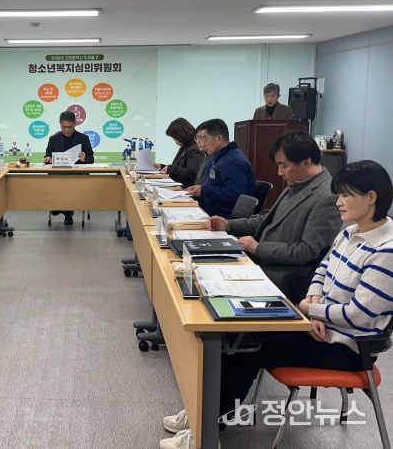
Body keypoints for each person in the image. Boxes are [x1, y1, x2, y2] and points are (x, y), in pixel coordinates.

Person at [161, 160, 393, 449]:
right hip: (321, 326)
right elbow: (321, 271)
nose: (339, 202)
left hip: (347, 347)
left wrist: (309, 310)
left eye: (346, 195)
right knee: (236, 335)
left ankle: (205, 432)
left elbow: (360, 314)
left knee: (248, 351)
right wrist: (313, 304)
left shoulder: (386, 250)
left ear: (371, 197)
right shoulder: (350, 232)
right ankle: (203, 414)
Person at [207, 131, 342, 302]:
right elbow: (267, 220)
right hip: (260, 263)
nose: (279, 173)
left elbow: (307, 252)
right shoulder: (298, 182)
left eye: (283, 166)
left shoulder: (327, 197)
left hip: (282, 277)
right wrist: (228, 225)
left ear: (306, 162)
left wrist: (258, 248)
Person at [185, 119, 255, 218]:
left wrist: (204, 190)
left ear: (218, 138)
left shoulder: (233, 161)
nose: (203, 144)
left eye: (205, 139)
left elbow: (235, 195)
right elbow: (213, 185)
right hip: (210, 211)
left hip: (223, 218)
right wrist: (200, 188)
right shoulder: (218, 156)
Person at [44, 110, 94, 225]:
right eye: (64, 127)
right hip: (59, 176)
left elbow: (91, 159)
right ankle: (67, 212)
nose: (67, 130)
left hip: (77, 176)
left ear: (75, 124)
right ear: (60, 124)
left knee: (67, 186)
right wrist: (48, 159)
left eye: (70, 127)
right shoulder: (53, 139)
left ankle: (60, 208)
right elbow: (47, 156)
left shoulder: (83, 138)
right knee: (58, 184)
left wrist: (85, 159)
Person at [153, 118, 203, 188]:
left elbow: (192, 173)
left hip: (185, 189)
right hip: (177, 185)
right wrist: (162, 166)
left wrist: (170, 168)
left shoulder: (195, 149)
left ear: (181, 135)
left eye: (174, 137)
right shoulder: (184, 147)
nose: (174, 140)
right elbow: (178, 167)